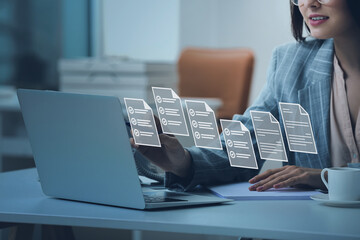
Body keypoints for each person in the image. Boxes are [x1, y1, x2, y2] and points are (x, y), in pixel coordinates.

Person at [131, 0, 360, 192]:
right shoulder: (291, 62)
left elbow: (325, 176)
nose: (309, 3)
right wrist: (183, 161)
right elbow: (243, 149)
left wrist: (327, 176)